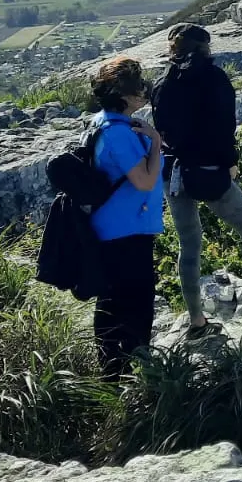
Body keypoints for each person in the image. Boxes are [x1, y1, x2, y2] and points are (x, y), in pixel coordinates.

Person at [151, 22, 242, 335]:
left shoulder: (163, 83)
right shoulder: (214, 78)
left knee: (189, 245)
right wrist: (230, 163)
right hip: (207, 170)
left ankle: (196, 320)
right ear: (205, 48)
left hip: (173, 172)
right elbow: (223, 127)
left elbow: (164, 131)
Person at [85, 55, 165, 378]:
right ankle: (133, 375)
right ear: (124, 95)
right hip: (127, 231)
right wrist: (155, 141)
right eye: (138, 86)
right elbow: (144, 181)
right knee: (135, 306)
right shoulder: (118, 133)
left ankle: (111, 376)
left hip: (113, 228)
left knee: (112, 303)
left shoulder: (101, 123)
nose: (144, 91)